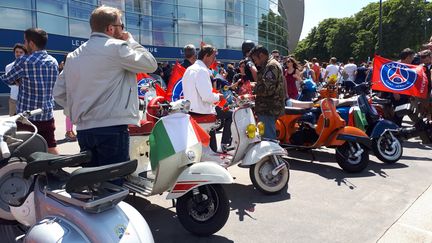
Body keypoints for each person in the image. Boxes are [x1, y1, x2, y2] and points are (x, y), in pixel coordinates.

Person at [54, 5, 157, 169]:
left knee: (93, 182)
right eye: (121, 26)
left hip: (84, 130)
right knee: (113, 185)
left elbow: (58, 93)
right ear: (110, 28)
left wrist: (76, 111)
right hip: (112, 128)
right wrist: (130, 41)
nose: (123, 30)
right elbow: (151, 64)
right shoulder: (117, 48)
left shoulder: (74, 55)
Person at [1, 28, 59, 154]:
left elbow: (7, 79)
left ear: (31, 44)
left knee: (26, 150)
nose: (24, 44)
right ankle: (54, 171)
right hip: (47, 114)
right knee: (50, 146)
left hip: (28, 117)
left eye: (25, 41)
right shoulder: (53, 61)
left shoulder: (24, 61)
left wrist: (18, 80)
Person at [182, 45, 231, 152]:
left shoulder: (189, 69)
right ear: (206, 56)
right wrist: (219, 96)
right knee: (231, 115)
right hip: (203, 113)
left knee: (209, 148)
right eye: (213, 57)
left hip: (193, 112)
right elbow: (207, 96)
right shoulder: (201, 70)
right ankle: (225, 144)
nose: (215, 60)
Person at [250, 45, 286, 139]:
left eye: (255, 59)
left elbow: (268, 90)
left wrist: (254, 87)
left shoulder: (271, 66)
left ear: (261, 55)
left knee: (268, 139)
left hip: (268, 108)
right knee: (266, 137)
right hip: (268, 108)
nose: (255, 63)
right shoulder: (270, 65)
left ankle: (270, 154)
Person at [4, 43, 27, 116]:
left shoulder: (29, 66)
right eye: (17, 52)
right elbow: (8, 83)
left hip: (26, 99)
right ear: (14, 53)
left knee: (25, 123)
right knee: (12, 121)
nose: (18, 54)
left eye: (21, 52)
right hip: (14, 98)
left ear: (24, 53)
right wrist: (15, 83)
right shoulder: (9, 67)